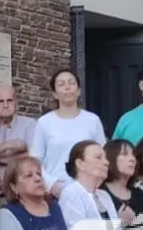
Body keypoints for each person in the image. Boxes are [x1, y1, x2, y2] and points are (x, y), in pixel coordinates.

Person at [33, 69, 108, 197]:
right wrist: (52, 184)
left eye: (71, 83)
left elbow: (103, 154)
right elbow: (35, 159)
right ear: (54, 94)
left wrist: (96, 182)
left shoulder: (92, 120)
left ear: (78, 90)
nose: (67, 87)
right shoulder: (44, 122)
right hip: (55, 191)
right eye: (61, 84)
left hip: (88, 189)